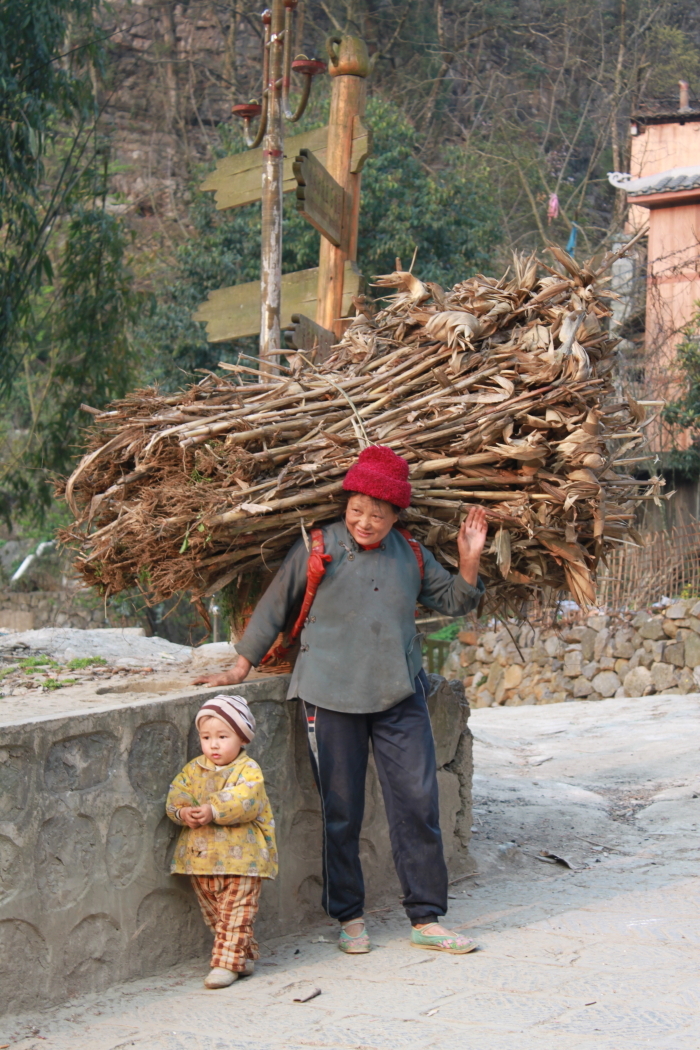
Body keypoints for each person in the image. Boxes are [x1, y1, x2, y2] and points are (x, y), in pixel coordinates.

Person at [195, 445, 487, 955]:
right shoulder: (319, 547)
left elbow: (457, 602)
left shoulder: (411, 554)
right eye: (357, 509)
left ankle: (427, 916)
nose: (365, 521)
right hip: (326, 697)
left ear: (397, 515)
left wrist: (469, 560)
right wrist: (241, 663)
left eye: (378, 513)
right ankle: (349, 916)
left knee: (418, 805)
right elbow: (276, 602)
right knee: (341, 809)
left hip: (399, 694)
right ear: (345, 503)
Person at [165, 694, 278, 988]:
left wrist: (214, 809)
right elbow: (177, 793)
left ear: (242, 738)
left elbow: (246, 800)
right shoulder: (193, 770)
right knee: (217, 915)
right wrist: (183, 811)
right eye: (206, 737)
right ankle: (244, 955)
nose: (213, 744)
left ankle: (225, 964)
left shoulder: (248, 770)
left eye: (223, 736)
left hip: (244, 860)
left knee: (236, 914)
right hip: (201, 859)